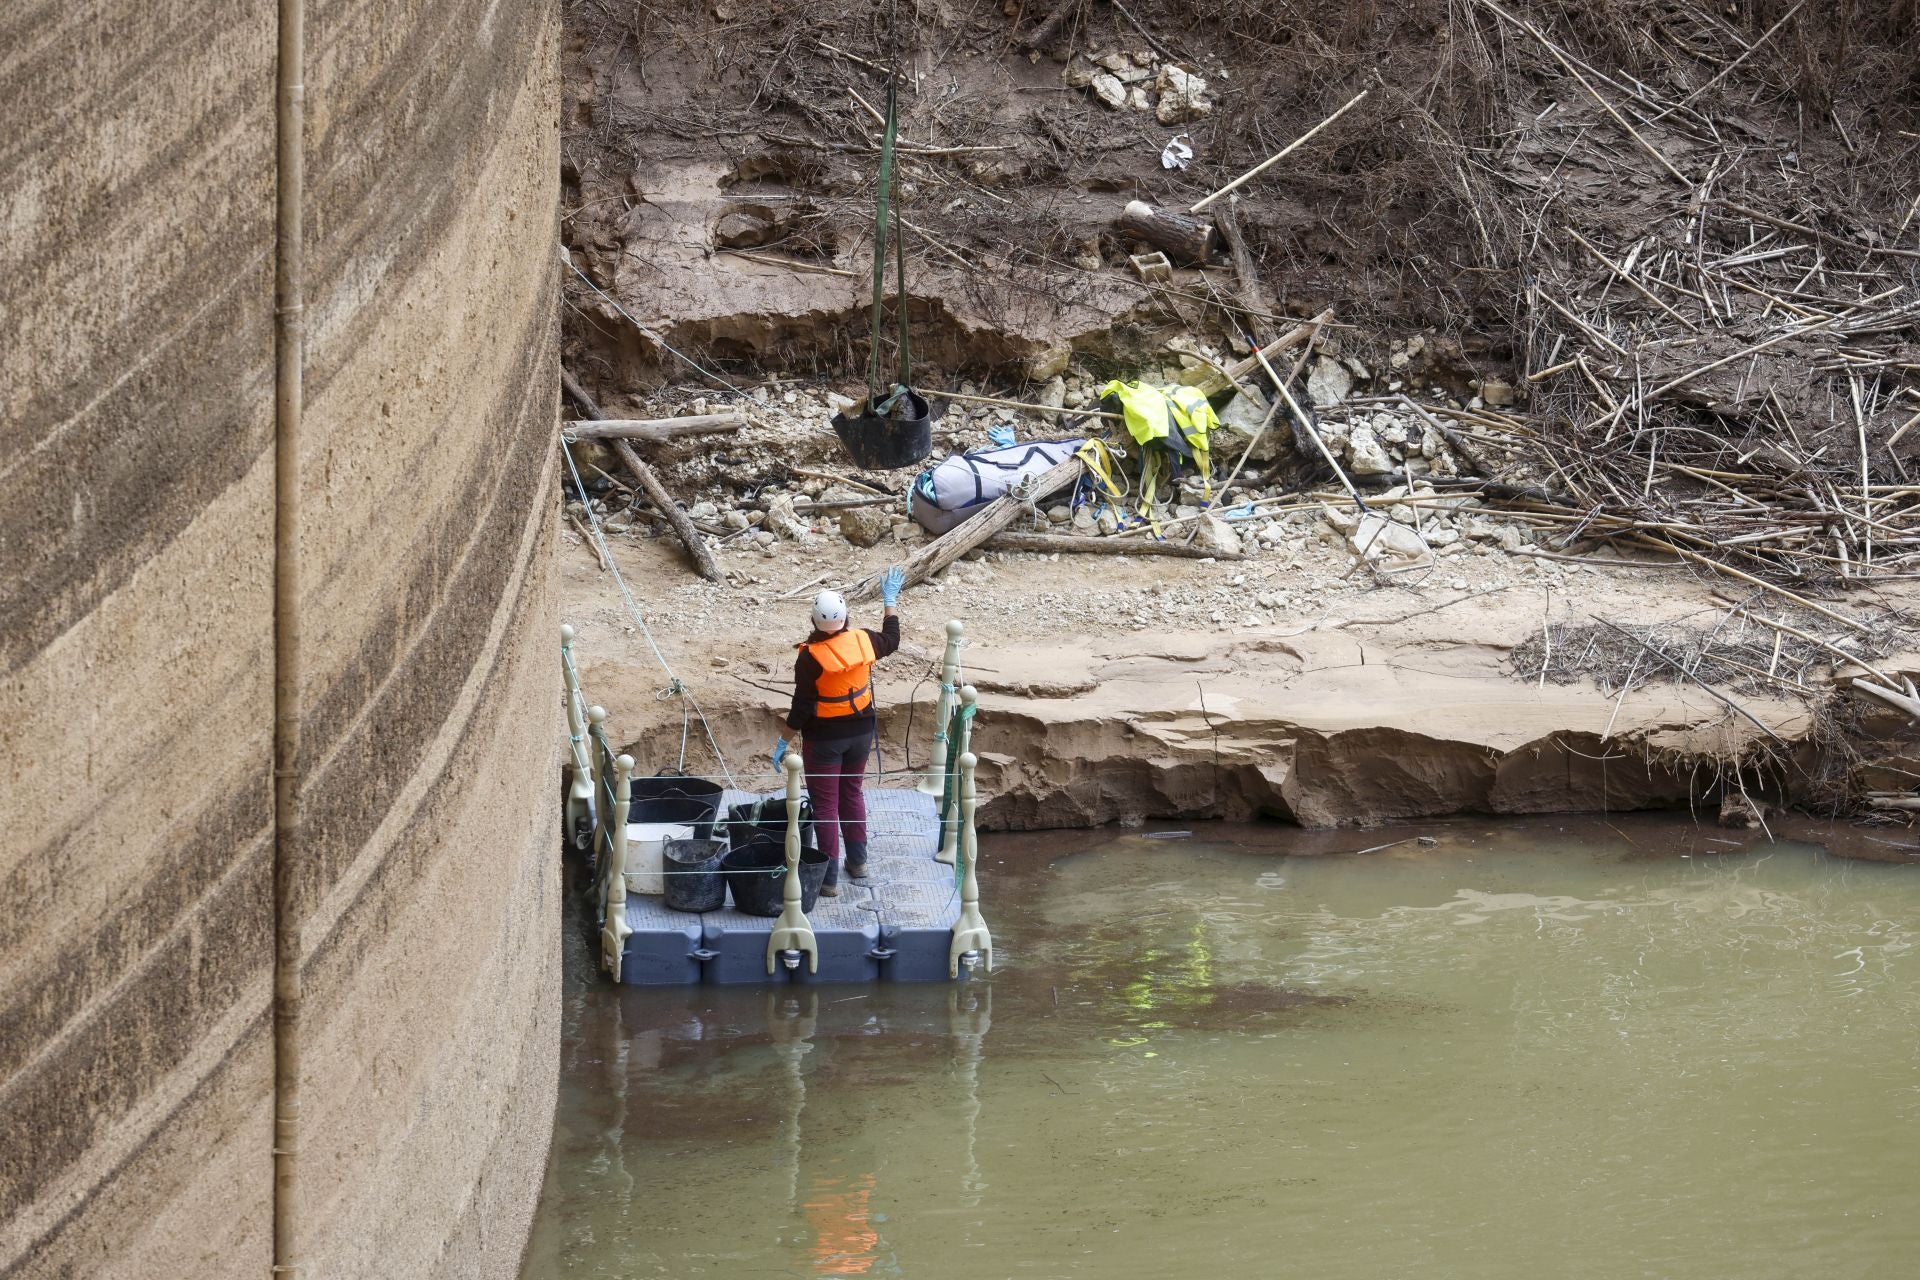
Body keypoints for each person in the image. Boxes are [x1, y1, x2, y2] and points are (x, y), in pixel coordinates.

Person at [780, 567, 905, 896]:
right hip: (862, 733)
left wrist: (783, 740)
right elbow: (892, 639)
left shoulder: (810, 658)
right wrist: (889, 600)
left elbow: (802, 707)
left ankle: (830, 880)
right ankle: (859, 863)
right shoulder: (864, 639)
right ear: (845, 617)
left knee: (825, 805)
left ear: (813, 620)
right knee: (852, 793)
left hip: (823, 741)